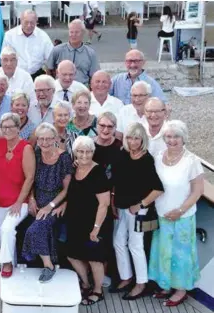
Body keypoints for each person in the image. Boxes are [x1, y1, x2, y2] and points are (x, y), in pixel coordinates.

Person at [149, 120, 204, 307]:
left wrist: (180, 211)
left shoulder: (192, 161)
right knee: (163, 253)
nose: (172, 140)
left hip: (182, 217)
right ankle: (165, 285)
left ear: (184, 138)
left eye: (176, 136)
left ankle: (180, 290)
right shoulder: (158, 156)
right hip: (161, 214)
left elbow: (197, 191)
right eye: (169, 136)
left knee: (180, 255)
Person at [110, 123, 164, 300]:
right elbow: (116, 181)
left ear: (143, 140)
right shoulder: (122, 155)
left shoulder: (147, 159)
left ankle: (141, 283)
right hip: (121, 205)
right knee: (118, 241)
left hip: (138, 210)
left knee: (135, 245)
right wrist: (113, 201)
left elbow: (157, 189)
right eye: (130, 138)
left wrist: (140, 205)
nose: (132, 142)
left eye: (136, 138)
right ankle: (126, 277)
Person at [22, 123, 73, 283]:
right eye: (41, 139)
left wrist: (50, 206)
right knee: (41, 227)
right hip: (37, 200)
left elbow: (66, 190)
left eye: (48, 139)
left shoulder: (64, 158)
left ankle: (48, 265)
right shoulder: (36, 154)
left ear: (55, 139)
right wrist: (31, 199)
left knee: (35, 229)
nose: (44, 142)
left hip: (55, 203)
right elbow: (29, 179)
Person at [65, 136, 110, 306]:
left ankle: (98, 291)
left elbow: (104, 204)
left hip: (93, 223)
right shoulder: (75, 168)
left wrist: (96, 228)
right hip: (75, 221)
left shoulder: (98, 172)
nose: (84, 155)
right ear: (75, 153)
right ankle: (85, 283)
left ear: (93, 152)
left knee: (94, 259)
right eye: (81, 151)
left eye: (88, 151)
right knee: (72, 254)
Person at [0, 113, 35, 278]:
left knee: (7, 229)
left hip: (19, 200)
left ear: (18, 128)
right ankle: (12, 267)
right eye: (4, 127)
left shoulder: (26, 148)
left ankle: (7, 265)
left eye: (11, 126)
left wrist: (19, 201)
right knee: (3, 237)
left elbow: (30, 177)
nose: (7, 130)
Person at [92, 111, 123, 287]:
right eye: (102, 125)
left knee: (105, 236)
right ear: (96, 126)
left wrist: (112, 200)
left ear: (115, 129)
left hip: (109, 198)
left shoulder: (119, 147)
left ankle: (102, 274)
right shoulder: (89, 145)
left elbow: (120, 177)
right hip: (89, 197)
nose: (105, 129)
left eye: (110, 126)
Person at [47, 19, 100, 86]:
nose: (73, 35)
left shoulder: (90, 54)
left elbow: (94, 76)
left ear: (83, 33)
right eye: (71, 32)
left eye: (77, 32)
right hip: (61, 89)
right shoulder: (57, 50)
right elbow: (49, 69)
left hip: (81, 89)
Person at [3, 10, 53, 78]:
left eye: (32, 23)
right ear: (21, 21)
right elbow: (4, 58)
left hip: (37, 74)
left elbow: (51, 58)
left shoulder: (43, 36)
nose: (29, 25)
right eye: (26, 22)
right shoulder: (10, 35)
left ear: (36, 22)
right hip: (16, 74)